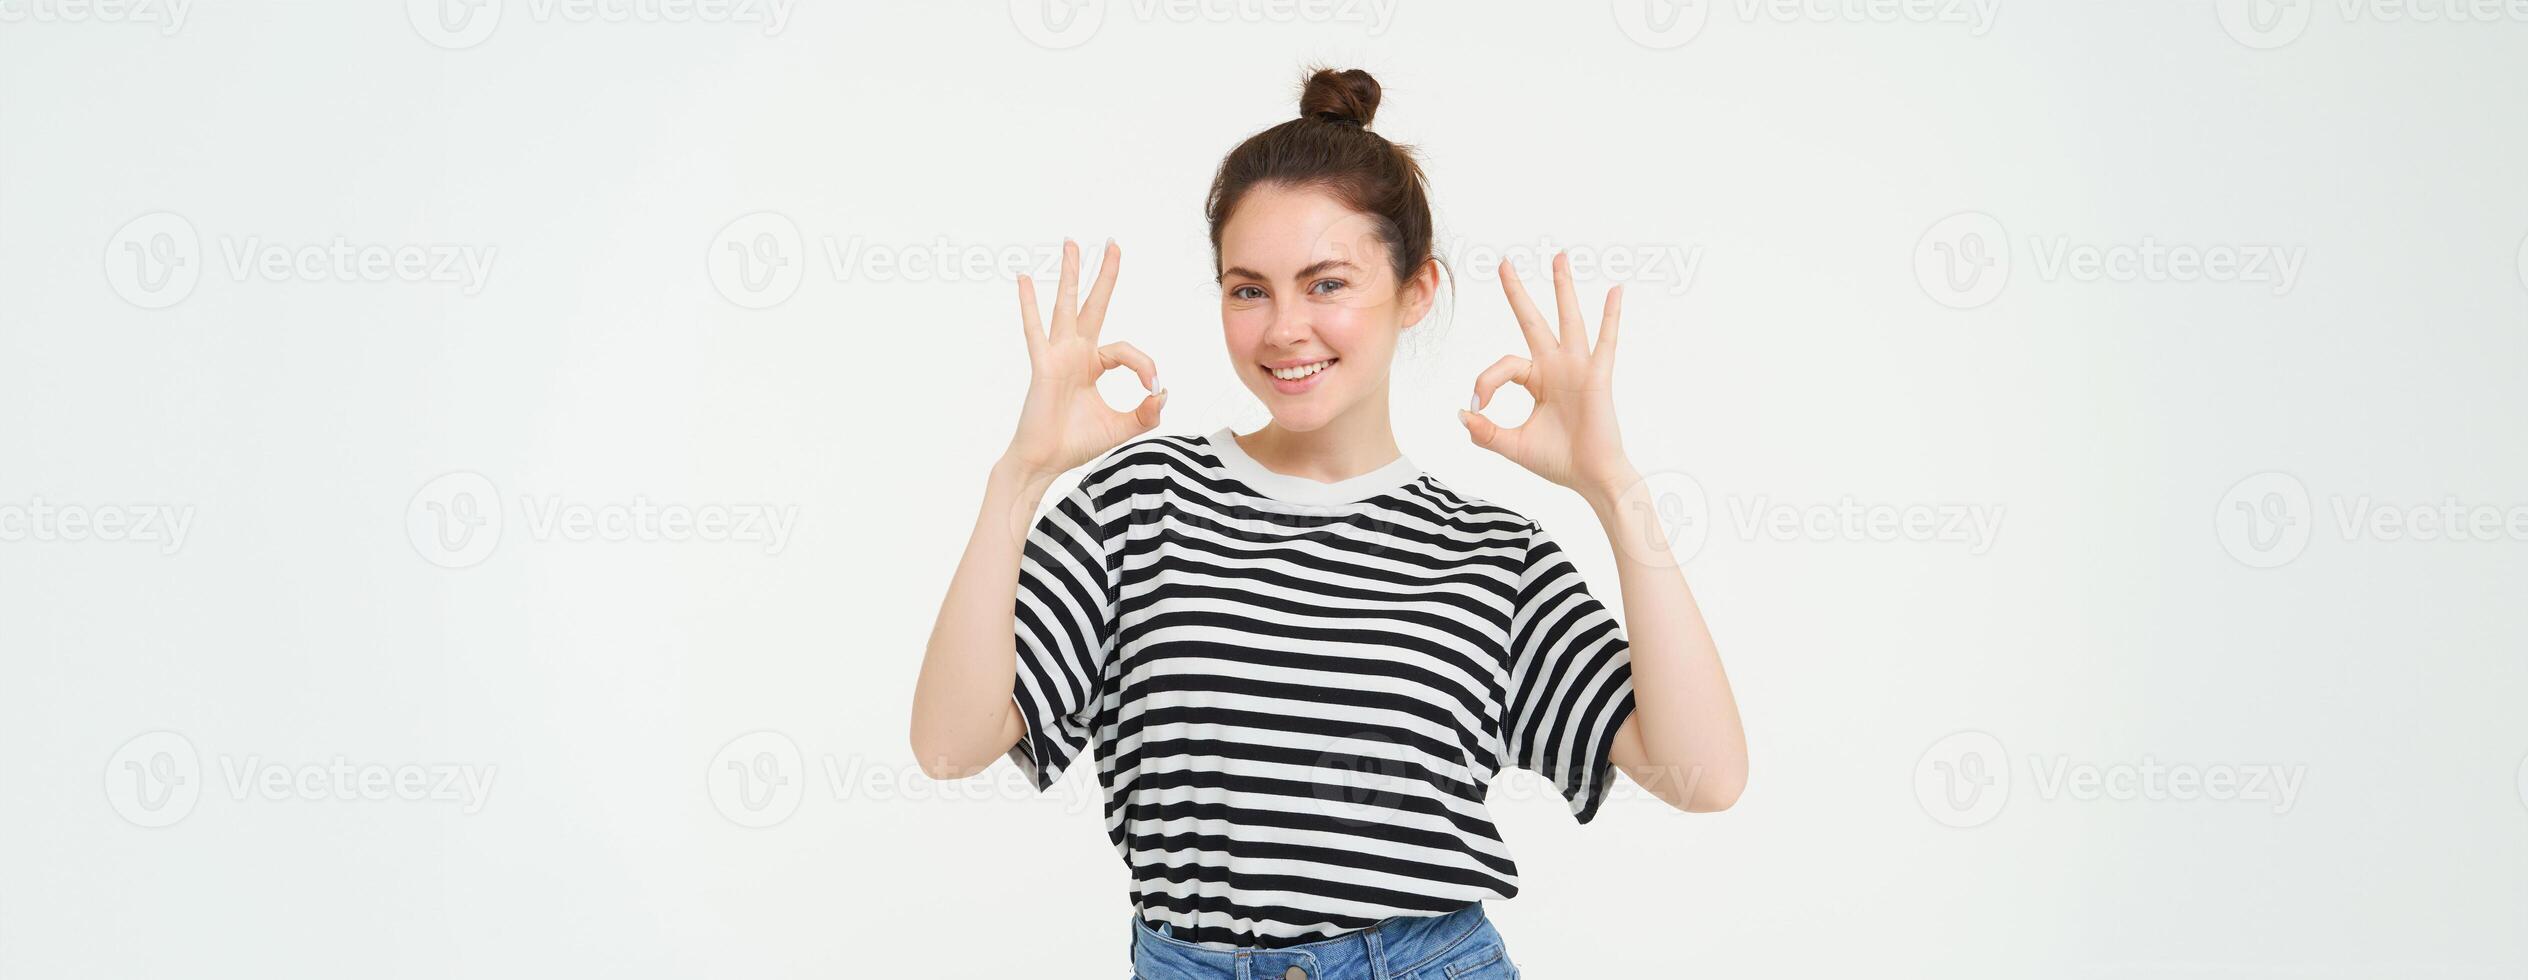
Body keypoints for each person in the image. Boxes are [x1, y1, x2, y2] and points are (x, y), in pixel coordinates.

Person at [910, 66, 1747, 979]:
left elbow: (1703, 776)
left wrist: (1615, 488)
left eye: (1327, 284)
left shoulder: (1490, 556)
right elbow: (951, 745)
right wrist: (1017, 479)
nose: (1284, 330)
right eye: (1248, 289)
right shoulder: (1137, 503)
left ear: (1417, 290)